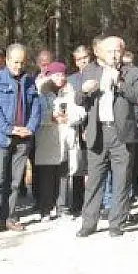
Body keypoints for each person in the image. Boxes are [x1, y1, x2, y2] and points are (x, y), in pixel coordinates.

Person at [74, 36, 138, 238]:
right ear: (99, 53)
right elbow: (78, 100)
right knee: (95, 180)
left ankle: (117, 223)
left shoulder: (132, 72)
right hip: (98, 132)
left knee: (122, 180)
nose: (114, 55)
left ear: (122, 52)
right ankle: (89, 223)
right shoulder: (90, 71)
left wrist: (121, 84)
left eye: (117, 51)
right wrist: (85, 91)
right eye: (109, 51)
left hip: (121, 133)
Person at [0, 43, 42, 236]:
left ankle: (10, 217)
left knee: (15, 181)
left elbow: (36, 108)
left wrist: (29, 129)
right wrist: (10, 129)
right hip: (0, 137)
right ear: (6, 60)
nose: (18, 66)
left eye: (22, 62)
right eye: (15, 62)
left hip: (22, 138)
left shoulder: (29, 81)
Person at [33, 62, 86, 220]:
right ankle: (46, 208)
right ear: (49, 76)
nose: (60, 78)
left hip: (66, 138)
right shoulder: (39, 92)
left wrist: (70, 118)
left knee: (64, 174)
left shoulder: (70, 92)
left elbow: (81, 112)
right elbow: (35, 114)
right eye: (56, 75)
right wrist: (51, 117)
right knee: (47, 176)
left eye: (62, 75)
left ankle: (62, 207)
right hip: (48, 139)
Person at [67, 45, 93, 213]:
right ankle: (77, 202)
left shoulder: (97, 74)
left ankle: (93, 201)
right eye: (78, 59)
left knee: (93, 166)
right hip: (77, 127)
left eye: (85, 58)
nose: (82, 61)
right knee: (77, 165)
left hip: (94, 125)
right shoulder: (72, 79)